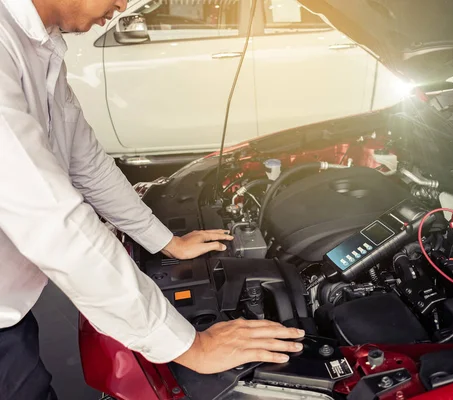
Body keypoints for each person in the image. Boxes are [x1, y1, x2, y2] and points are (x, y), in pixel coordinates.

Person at [0, 0, 304, 398]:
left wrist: (164, 241)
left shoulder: (37, 41)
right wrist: (189, 345)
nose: (123, 4)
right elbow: (53, 222)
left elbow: (85, 160)